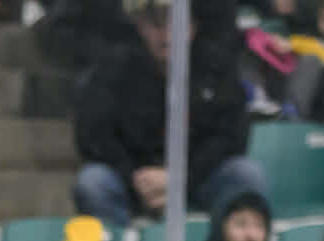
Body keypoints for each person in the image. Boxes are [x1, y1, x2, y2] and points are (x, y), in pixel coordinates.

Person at [72, 0, 266, 226]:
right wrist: (137, 177)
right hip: (134, 180)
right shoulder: (113, 67)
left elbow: (231, 135)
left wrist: (180, 178)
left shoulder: (217, 66)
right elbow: (93, 134)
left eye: (176, 24)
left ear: (192, 27)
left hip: (197, 177)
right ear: (141, 26)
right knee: (93, 182)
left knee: (246, 175)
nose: (165, 35)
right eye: (156, 25)